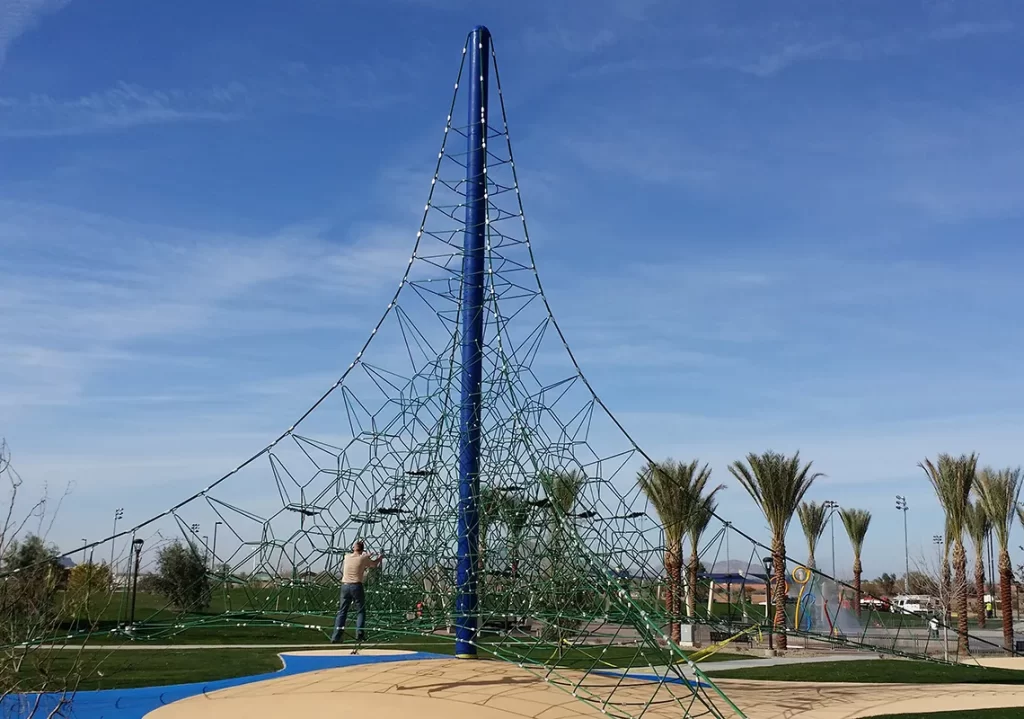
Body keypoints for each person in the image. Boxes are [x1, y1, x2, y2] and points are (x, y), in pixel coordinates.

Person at [330, 540, 383, 643]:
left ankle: (336, 637)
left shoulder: (347, 557)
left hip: (345, 585)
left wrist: (366, 556)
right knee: (360, 611)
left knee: (342, 612)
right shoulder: (363, 558)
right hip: (356, 586)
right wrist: (379, 558)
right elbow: (373, 565)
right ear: (363, 549)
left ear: (353, 548)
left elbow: (360, 557)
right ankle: (359, 634)